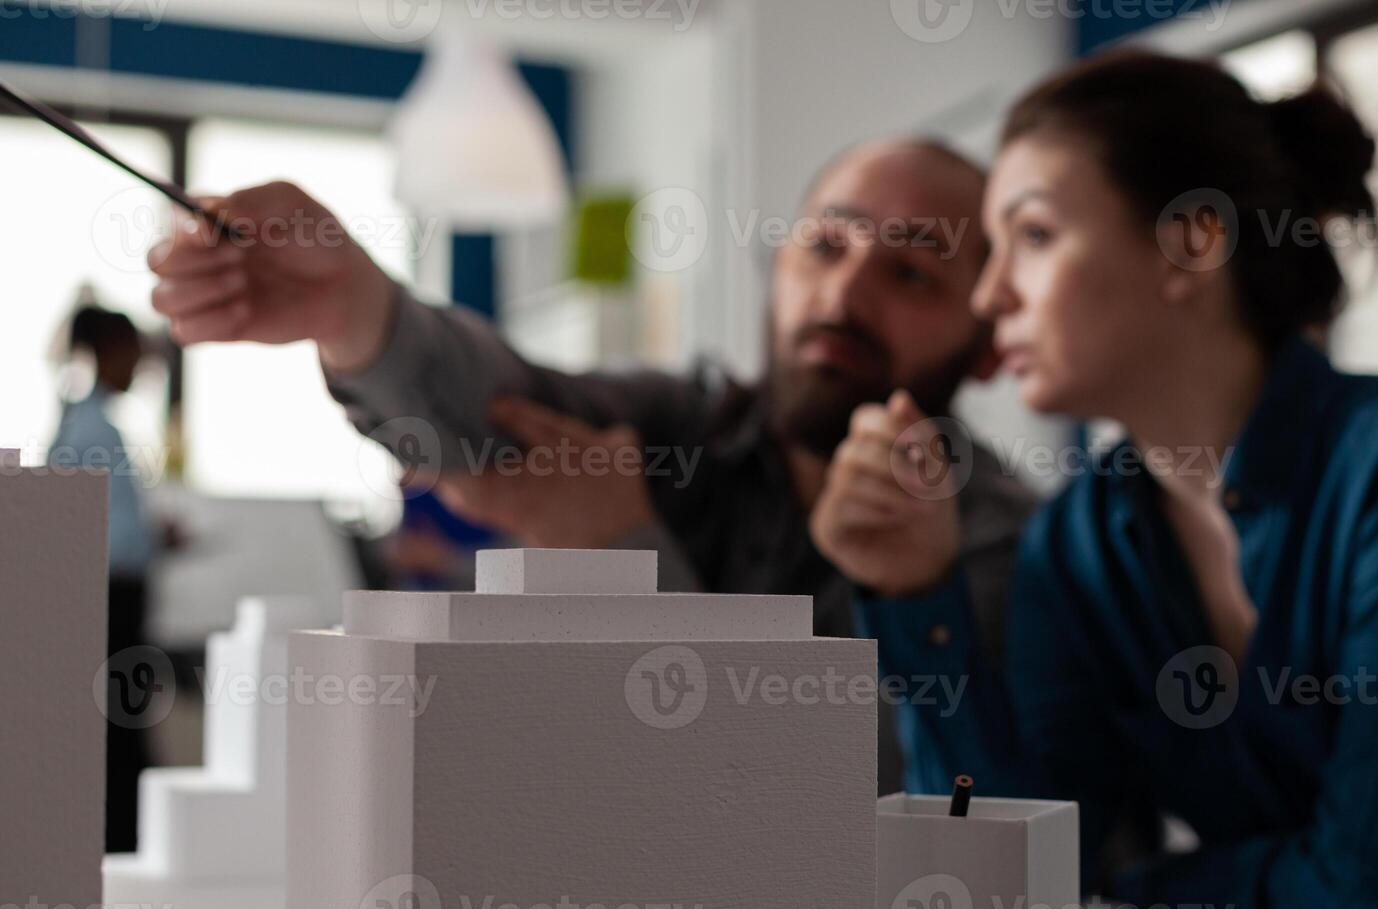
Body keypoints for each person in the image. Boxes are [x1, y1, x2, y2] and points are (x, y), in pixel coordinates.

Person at [146, 139, 1037, 793]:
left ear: (991, 340)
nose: (843, 297)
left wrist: (615, 552)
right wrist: (354, 308)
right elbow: (493, 411)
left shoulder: (1003, 544)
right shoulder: (680, 424)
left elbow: (850, 798)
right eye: (826, 248)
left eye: (912, 274)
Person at [845, 51, 1378, 909]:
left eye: (1036, 236)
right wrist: (916, 592)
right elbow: (1007, 892)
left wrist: (1145, 892)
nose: (989, 297)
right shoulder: (1077, 544)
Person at [50, 306, 157, 853]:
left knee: (120, 725)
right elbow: (93, 533)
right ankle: (117, 842)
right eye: (132, 348)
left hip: (113, 598)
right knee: (119, 729)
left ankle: (118, 841)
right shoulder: (94, 429)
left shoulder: (86, 423)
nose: (141, 361)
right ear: (109, 350)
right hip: (112, 601)